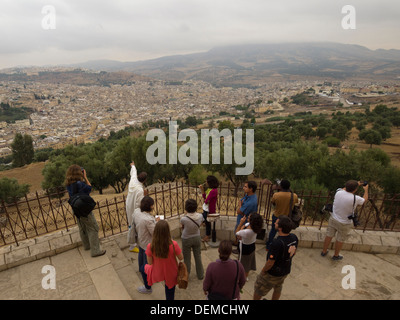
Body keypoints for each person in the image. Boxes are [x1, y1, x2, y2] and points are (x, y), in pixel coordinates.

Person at [253, 215, 298, 300]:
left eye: (276, 223)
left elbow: (270, 262)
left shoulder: (277, 243)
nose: (274, 223)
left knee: (259, 289)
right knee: (278, 287)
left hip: (273, 274)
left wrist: (263, 271)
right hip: (285, 270)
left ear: (280, 228)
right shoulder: (294, 237)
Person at [321, 180, 368, 260]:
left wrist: (356, 184)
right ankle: (336, 255)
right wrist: (366, 189)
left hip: (333, 218)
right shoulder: (355, 198)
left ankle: (324, 251)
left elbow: (343, 189)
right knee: (340, 239)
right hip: (345, 223)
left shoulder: (338, 192)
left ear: (346, 187)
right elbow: (365, 200)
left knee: (329, 235)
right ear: (355, 189)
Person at [65, 165, 106, 257]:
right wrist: (85, 177)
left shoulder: (68, 184)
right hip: (84, 209)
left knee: (82, 227)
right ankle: (95, 251)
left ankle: (87, 246)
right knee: (93, 227)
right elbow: (89, 188)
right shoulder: (80, 184)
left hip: (75, 208)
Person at [145, 220, 184, 300]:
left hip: (159, 271)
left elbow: (150, 262)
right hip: (171, 272)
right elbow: (181, 257)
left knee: (144, 267)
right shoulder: (174, 244)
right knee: (170, 292)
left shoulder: (150, 246)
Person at [133, 196, 160, 294]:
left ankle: (148, 276)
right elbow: (155, 233)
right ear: (151, 206)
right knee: (145, 266)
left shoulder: (136, 212)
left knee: (142, 262)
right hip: (148, 245)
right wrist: (157, 222)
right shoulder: (148, 220)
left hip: (141, 241)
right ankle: (148, 287)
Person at [265, 179, 298, 251]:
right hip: (287, 218)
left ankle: (269, 246)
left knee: (273, 231)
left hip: (277, 216)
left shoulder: (276, 195)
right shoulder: (294, 195)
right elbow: (296, 202)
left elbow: (273, 203)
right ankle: (282, 245)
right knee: (285, 232)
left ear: (280, 186)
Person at [126, 160, 148, 253]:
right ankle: (132, 246)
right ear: (145, 180)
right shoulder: (140, 190)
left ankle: (133, 243)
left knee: (130, 223)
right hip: (134, 209)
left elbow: (134, 171)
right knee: (132, 225)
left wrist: (133, 165)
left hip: (128, 204)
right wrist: (145, 195)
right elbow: (140, 203)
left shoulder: (133, 180)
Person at [180, 199, 205, 280]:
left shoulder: (183, 218)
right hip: (197, 237)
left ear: (186, 208)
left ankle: (186, 275)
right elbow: (201, 223)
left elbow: (182, 225)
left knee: (187, 258)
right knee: (198, 256)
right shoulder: (200, 216)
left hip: (186, 238)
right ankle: (200, 274)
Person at [235, 213, 264, 280]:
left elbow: (237, 232)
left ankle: (244, 277)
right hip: (251, 246)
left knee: (245, 265)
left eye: (249, 217)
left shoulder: (247, 232)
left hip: (245, 248)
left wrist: (240, 223)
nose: (247, 217)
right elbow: (244, 227)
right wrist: (242, 229)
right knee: (248, 261)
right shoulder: (255, 227)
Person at [232, 181, 258, 249]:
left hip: (244, 222)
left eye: (245, 187)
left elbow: (238, 211)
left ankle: (239, 249)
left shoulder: (251, 202)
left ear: (251, 189)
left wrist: (240, 205)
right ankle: (236, 243)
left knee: (240, 236)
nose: (243, 188)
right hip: (241, 219)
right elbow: (241, 200)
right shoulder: (249, 195)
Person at [199, 175, 219, 242]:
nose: (206, 182)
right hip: (206, 209)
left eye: (207, 181)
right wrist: (202, 189)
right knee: (205, 220)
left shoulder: (213, 191)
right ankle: (204, 222)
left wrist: (206, 199)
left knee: (207, 224)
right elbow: (205, 197)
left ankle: (207, 236)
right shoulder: (210, 190)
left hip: (208, 210)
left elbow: (206, 200)